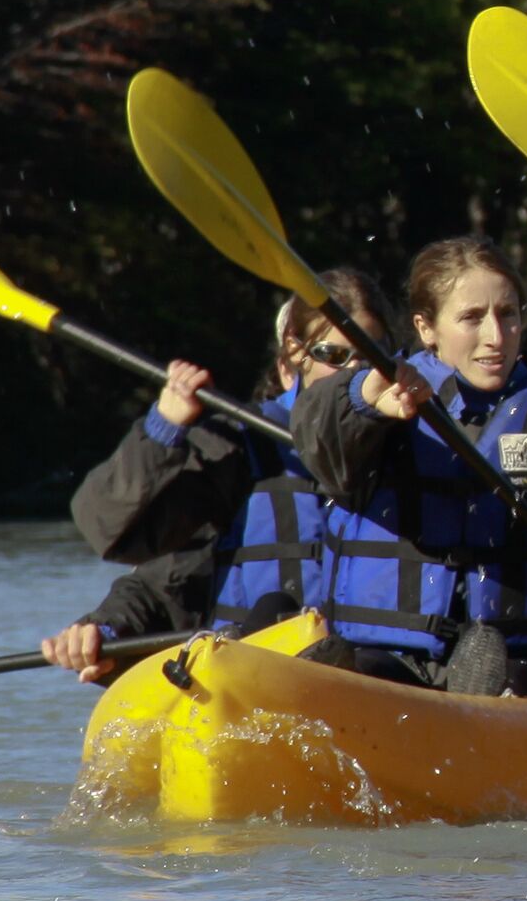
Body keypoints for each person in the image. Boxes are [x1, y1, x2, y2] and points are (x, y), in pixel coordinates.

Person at [288, 234, 527, 698]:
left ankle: (476, 704)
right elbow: (316, 434)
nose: (496, 337)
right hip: (392, 657)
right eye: (472, 318)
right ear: (426, 327)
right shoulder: (378, 402)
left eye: (508, 314)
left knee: (515, 681)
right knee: (365, 677)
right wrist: (363, 401)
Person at [38, 268, 396, 683]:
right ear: (288, 366)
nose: (352, 373)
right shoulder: (237, 450)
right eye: (333, 357)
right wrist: (104, 630)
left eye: (369, 358)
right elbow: (141, 564)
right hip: (251, 674)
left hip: (377, 680)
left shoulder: (422, 449)